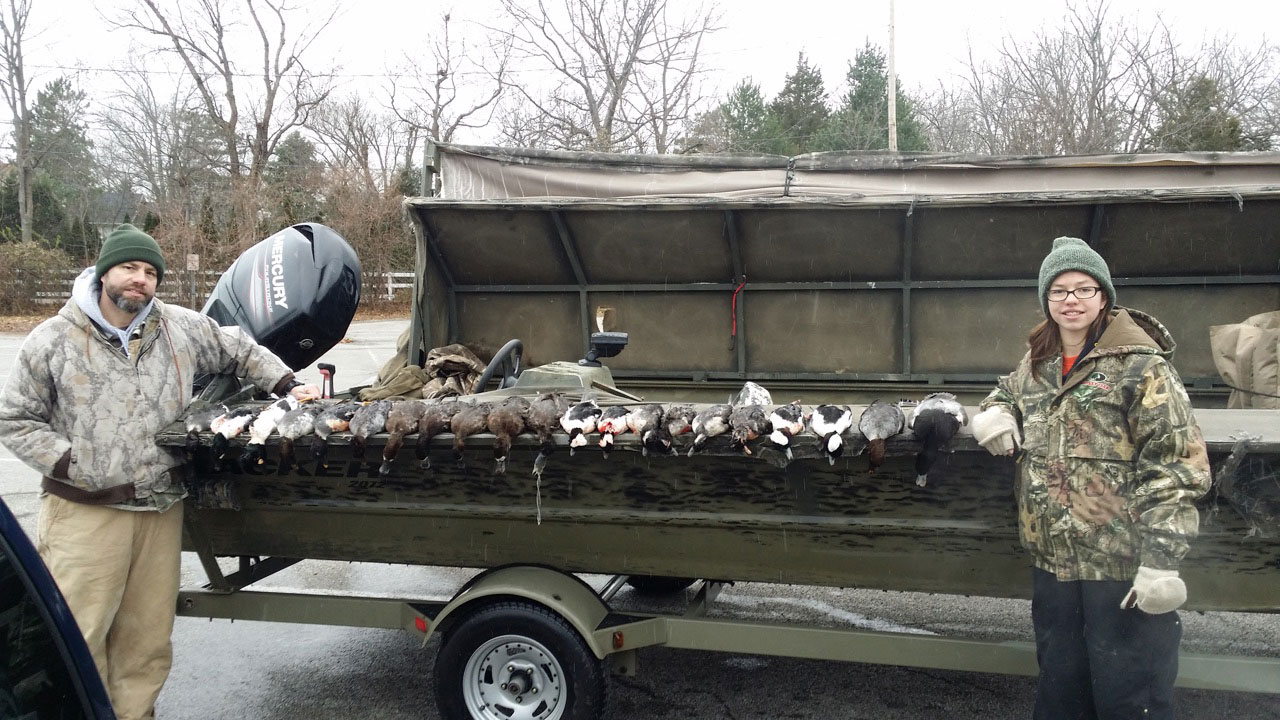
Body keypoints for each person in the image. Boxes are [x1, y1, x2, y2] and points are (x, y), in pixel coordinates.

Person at [0, 224, 320, 720]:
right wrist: (71, 464)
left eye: (150, 272)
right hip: (86, 514)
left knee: (147, 642)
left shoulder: (178, 327)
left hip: (160, 507)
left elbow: (237, 347)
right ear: (104, 272)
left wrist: (288, 383)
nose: (140, 280)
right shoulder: (54, 339)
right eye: (130, 267)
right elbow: (15, 418)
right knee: (78, 639)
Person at [970, 236, 1211, 720]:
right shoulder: (1038, 362)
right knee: (1061, 692)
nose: (1071, 300)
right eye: (1059, 291)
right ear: (1046, 300)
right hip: (1054, 561)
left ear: (1103, 296)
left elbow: (1176, 464)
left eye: (1083, 288)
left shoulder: (1141, 366)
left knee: (1130, 696)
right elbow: (1005, 392)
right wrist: (994, 415)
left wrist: (1160, 561)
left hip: (1120, 566)